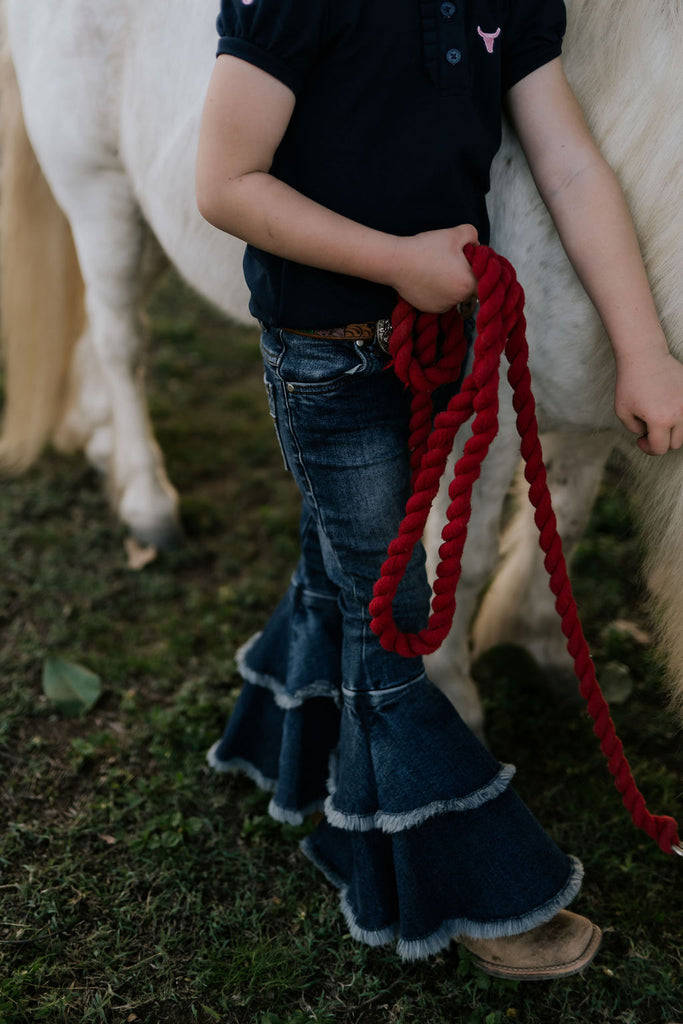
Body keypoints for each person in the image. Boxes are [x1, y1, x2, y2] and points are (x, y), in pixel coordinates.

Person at [195, 0, 683, 980]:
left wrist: (641, 349)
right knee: (396, 624)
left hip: (432, 354)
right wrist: (397, 264)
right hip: (328, 360)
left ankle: (288, 745)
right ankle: (461, 881)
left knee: (345, 571)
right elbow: (225, 181)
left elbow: (570, 164)